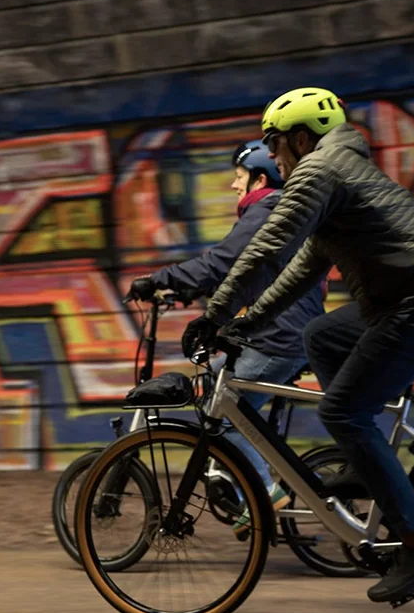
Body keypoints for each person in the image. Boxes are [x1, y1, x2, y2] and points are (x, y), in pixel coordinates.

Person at [182, 86, 414, 602]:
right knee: (323, 335)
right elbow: (303, 268)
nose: (272, 155)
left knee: (344, 412)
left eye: (274, 143)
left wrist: (214, 314)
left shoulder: (319, 170)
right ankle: (365, 460)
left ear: (301, 138)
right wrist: (248, 318)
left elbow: (267, 249)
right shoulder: (338, 172)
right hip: (411, 298)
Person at [128, 141, 326, 525]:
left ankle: (265, 492)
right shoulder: (279, 211)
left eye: (238, 177)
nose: (235, 187)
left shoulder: (266, 208)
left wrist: (157, 279)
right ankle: (238, 477)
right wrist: (189, 290)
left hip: (277, 337)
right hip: (284, 333)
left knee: (224, 413)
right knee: (217, 380)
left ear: (259, 178)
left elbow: (223, 260)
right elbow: (249, 273)